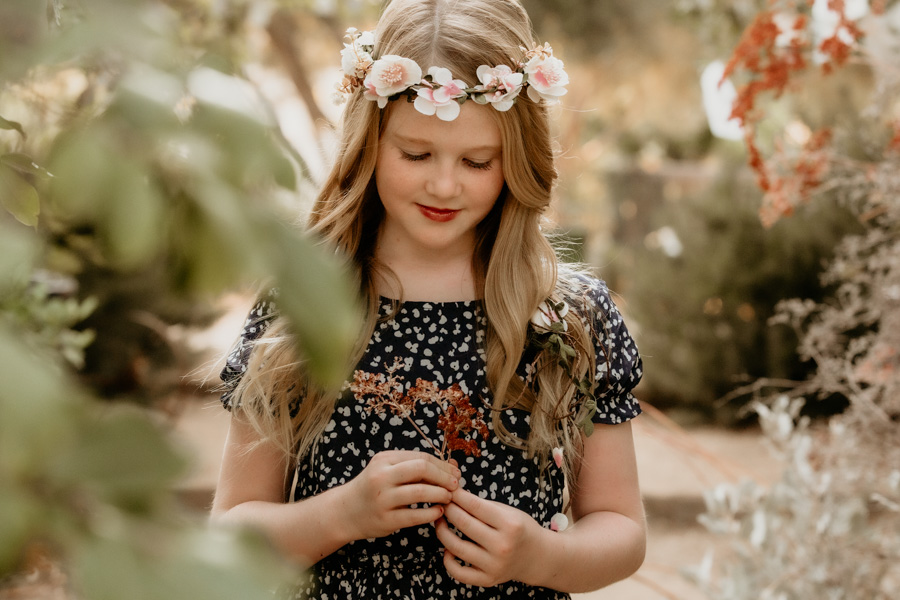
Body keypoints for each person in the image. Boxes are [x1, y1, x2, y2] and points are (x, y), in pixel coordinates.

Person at [210, 0, 645, 597]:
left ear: (516, 160)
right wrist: (340, 515)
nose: (444, 184)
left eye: (477, 161)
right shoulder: (304, 300)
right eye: (415, 154)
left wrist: (543, 556)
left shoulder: (568, 316)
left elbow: (621, 528)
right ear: (369, 142)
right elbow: (230, 530)